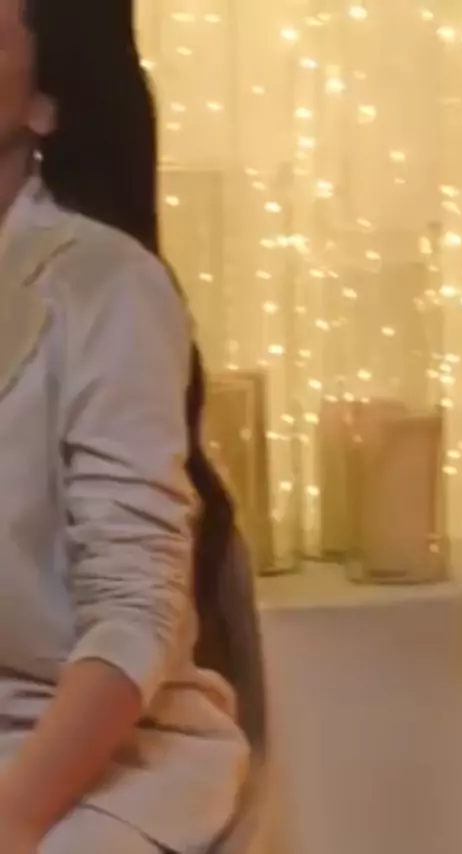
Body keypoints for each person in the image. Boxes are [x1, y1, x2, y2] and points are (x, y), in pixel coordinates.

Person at [0, 0, 251, 851]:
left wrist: (14, 819)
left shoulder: (105, 287)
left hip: (96, 757)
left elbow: (135, 610)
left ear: (45, 102)